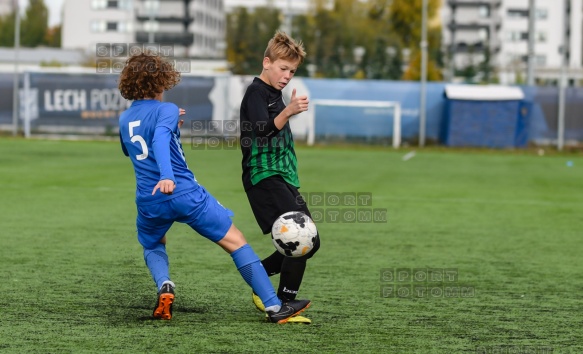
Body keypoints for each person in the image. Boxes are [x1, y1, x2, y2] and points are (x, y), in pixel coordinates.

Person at [117, 51, 310, 323]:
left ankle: (165, 284)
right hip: (183, 192)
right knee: (236, 242)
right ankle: (275, 307)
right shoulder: (167, 109)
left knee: (153, 245)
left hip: (149, 200)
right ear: (160, 81)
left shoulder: (125, 119)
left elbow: (134, 150)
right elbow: (159, 140)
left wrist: (173, 130)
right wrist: (168, 174)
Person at [239, 31, 321, 324]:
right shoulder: (256, 92)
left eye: (292, 71)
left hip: (282, 177)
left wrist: (285, 109)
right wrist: (288, 111)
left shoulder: (274, 92)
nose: (287, 76)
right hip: (264, 177)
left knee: (312, 242)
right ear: (266, 62)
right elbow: (261, 129)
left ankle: (259, 278)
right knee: (302, 239)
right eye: (283, 68)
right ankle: (284, 304)